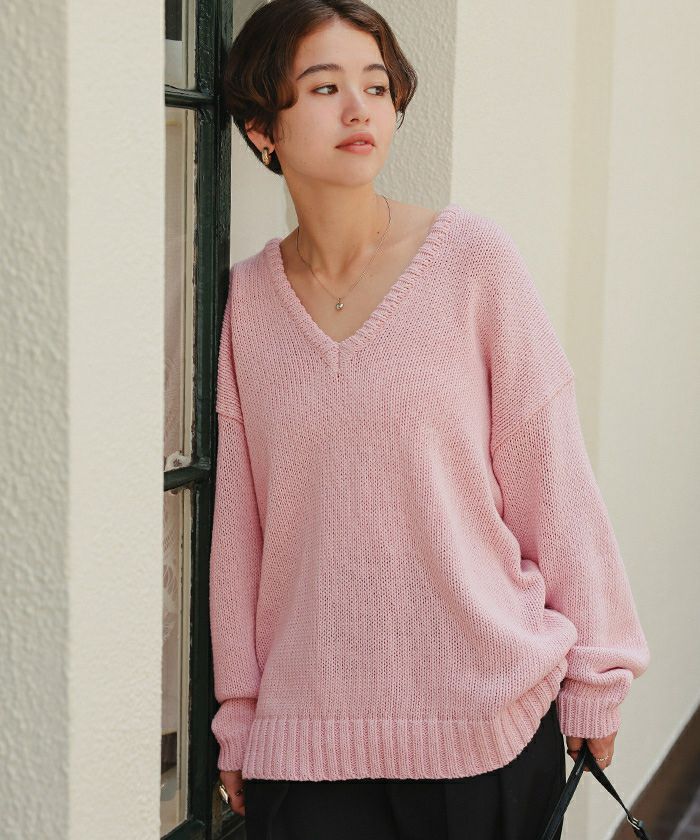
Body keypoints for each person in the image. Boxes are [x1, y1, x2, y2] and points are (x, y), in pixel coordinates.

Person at [210, 1, 651, 838]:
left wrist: (599, 674)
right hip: (307, 745)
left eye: (376, 87)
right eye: (325, 87)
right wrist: (241, 708)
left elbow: (553, 474)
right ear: (263, 128)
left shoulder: (472, 262)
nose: (359, 109)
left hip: (486, 723)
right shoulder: (245, 305)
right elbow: (240, 528)